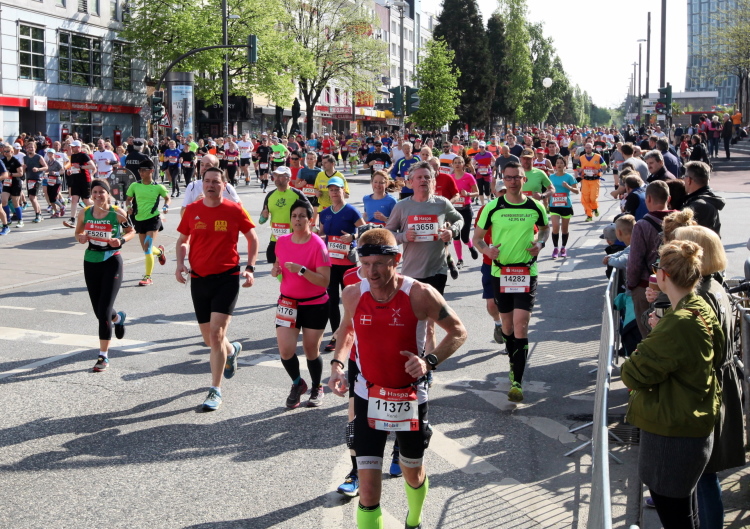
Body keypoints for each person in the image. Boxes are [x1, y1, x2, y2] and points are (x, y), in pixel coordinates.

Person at [327, 228, 467, 529]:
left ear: (396, 260)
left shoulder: (420, 294)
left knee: (412, 472)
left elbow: (458, 332)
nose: (371, 272)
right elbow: (347, 330)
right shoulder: (353, 293)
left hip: (409, 396)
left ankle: (414, 520)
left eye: (379, 264)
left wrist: (429, 361)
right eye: (365, 264)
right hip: (368, 394)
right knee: (367, 490)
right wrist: (337, 364)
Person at [621, 240, 723, 529]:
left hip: (672, 432)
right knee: (685, 511)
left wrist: (654, 337)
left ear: (663, 274)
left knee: (674, 515)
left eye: (656, 269)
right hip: (688, 424)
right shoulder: (698, 306)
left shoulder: (678, 323)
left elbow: (632, 373)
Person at [671, 225, 745, 528]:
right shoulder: (715, 285)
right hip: (718, 382)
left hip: (706, 388)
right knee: (703, 471)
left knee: (703, 472)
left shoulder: (700, 294)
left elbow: (695, 349)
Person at [175, 167, 259, 411]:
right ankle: (231, 350)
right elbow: (182, 240)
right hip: (199, 278)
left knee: (216, 334)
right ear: (202, 184)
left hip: (226, 278)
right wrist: (180, 264)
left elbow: (252, 238)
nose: (211, 185)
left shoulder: (234, 210)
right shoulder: (192, 210)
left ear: (224, 185)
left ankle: (215, 389)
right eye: (207, 181)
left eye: (216, 181)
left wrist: (250, 268)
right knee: (209, 339)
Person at [472, 161, 549, 402]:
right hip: (501, 272)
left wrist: (541, 243)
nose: (513, 181)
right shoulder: (492, 207)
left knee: (521, 324)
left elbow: (545, 228)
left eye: (517, 177)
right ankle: (512, 358)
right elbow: (477, 238)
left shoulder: (535, 206)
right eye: (509, 177)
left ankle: (517, 380)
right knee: (507, 325)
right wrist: (487, 250)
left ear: (524, 179)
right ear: (503, 180)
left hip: (527, 271)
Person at [385, 161, 464, 353]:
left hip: (437, 270)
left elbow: (459, 219)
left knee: (430, 323)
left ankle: (428, 364)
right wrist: (404, 236)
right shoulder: (402, 206)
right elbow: (388, 233)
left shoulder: (441, 203)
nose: (423, 180)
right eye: (419, 177)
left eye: (427, 177)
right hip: (411, 272)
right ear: (410, 182)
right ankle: (414, 357)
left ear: (433, 181)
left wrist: (452, 231)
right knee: (413, 321)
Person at [271, 199, 331, 408]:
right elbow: (278, 265)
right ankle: (298, 383)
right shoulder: (282, 241)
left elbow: (325, 281)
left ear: (310, 220)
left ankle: (317, 386)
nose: (297, 220)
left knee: (310, 349)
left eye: (302, 216)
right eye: (294, 216)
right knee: (285, 351)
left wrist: (302, 270)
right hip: (287, 303)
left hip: (315, 304)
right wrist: (275, 270)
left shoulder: (318, 245)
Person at [74, 179, 134, 371]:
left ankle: (103, 356)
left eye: (102, 192)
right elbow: (78, 233)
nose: (98, 195)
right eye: (95, 192)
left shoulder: (117, 213)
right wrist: (81, 237)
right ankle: (118, 319)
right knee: (99, 311)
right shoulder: (84, 212)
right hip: (91, 261)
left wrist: (121, 240)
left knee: (104, 311)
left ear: (108, 194)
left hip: (112, 261)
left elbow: (131, 231)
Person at [318, 177, 365, 352]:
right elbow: (322, 234)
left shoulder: (351, 211)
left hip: (347, 264)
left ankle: (355, 333)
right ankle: (336, 335)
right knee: (331, 301)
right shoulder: (324, 213)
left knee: (350, 300)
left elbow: (365, 229)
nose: (334, 193)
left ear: (343, 191)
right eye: (331, 190)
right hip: (330, 264)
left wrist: (352, 236)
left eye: (337, 190)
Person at [627, 180, 674, 339]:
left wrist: (632, 285)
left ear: (648, 199)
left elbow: (635, 262)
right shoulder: (682, 221)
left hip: (648, 286)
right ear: (669, 199)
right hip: (676, 285)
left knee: (649, 333)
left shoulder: (642, 225)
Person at [125, 158, 170, 286]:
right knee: (146, 249)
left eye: (144, 170)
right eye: (140, 170)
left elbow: (167, 198)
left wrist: (166, 206)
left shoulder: (158, 187)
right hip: (139, 220)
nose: (141, 173)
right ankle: (160, 252)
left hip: (153, 219)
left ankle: (148, 277)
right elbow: (128, 199)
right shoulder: (135, 185)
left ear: (151, 171)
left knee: (148, 248)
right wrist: (128, 207)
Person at [259, 166, 309, 264]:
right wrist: (264, 217)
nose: (277, 178)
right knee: (276, 269)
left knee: (292, 269)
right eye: (275, 175)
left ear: (288, 178)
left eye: (280, 176)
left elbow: (309, 213)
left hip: (294, 240)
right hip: (276, 240)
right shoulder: (270, 195)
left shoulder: (297, 194)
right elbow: (261, 221)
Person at [450, 156, 479, 268]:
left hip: (466, 209)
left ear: (463, 164)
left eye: (460, 162)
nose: (457, 164)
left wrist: (468, 194)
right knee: (456, 236)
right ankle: (460, 260)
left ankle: (470, 246)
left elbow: (477, 192)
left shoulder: (469, 177)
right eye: (455, 163)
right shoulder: (450, 177)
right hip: (454, 211)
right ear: (452, 165)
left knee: (465, 237)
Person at [548, 157, 579, 259]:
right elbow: (548, 190)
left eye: (561, 163)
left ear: (565, 165)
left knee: (564, 229)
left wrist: (568, 187)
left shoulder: (569, 177)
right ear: (555, 165)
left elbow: (577, 191)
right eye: (557, 163)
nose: (559, 165)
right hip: (554, 205)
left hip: (566, 206)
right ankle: (555, 248)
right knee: (555, 227)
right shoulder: (551, 177)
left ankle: (563, 248)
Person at [62, 140, 96, 228]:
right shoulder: (73, 156)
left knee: (86, 201)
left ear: (78, 147)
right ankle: (72, 219)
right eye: (71, 147)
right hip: (75, 180)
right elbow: (74, 167)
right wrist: (70, 171)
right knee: (74, 199)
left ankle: (99, 207)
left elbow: (92, 166)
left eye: (73, 147)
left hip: (84, 180)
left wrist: (81, 166)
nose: (72, 148)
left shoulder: (84, 155)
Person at [574, 143, 606, 221]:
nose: (588, 149)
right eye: (586, 148)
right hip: (585, 180)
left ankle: (595, 208)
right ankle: (589, 215)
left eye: (589, 148)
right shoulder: (581, 158)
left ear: (592, 148)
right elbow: (578, 167)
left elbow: (605, 166)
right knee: (585, 199)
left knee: (593, 198)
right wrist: (580, 170)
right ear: (584, 149)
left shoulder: (598, 157)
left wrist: (598, 170)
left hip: (595, 180)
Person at [22, 140, 47, 224]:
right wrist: (23, 168)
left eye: (32, 147)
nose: (30, 149)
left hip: (37, 179)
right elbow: (24, 171)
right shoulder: (25, 158)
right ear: (26, 149)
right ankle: (39, 214)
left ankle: (38, 215)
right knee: (33, 198)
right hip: (29, 179)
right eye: (28, 147)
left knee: (32, 198)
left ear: (35, 148)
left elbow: (46, 167)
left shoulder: (38, 157)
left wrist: (38, 169)